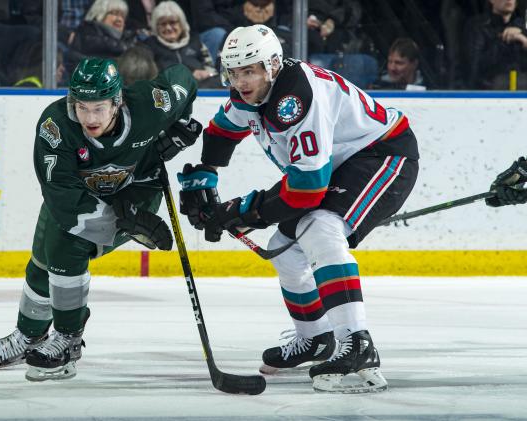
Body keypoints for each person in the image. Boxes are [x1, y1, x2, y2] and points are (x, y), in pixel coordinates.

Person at [178, 24, 419, 393]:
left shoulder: (296, 99)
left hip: (383, 153)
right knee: (287, 252)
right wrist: (206, 179)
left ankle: (358, 343)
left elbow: (307, 191)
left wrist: (243, 211)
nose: (240, 81)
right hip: (337, 164)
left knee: (320, 226)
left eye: (249, 71)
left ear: (272, 66)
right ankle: (316, 338)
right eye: (234, 72)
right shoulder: (251, 93)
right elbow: (221, 131)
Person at [0, 57, 200, 381]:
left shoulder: (148, 106)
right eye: (82, 107)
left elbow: (184, 78)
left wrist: (178, 124)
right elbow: (64, 199)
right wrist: (118, 224)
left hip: (135, 193)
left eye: (99, 108)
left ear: (117, 101)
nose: (90, 117)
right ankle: (30, 334)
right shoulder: (56, 127)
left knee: (65, 249)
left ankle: (69, 338)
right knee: (42, 259)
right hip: (78, 199)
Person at [143, 1, 221, 88]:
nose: (168, 28)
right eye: (163, 24)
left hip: (201, 89)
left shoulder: (195, 41)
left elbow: (211, 69)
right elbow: (151, 76)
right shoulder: (149, 45)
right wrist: (190, 74)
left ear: (181, 23)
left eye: (172, 22)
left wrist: (208, 74)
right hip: (167, 91)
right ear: (156, 26)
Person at [466, 0, 527, 89]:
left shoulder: (522, 28)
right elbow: (474, 68)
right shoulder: (478, 26)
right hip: (489, 93)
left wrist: (523, 40)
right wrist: (502, 40)